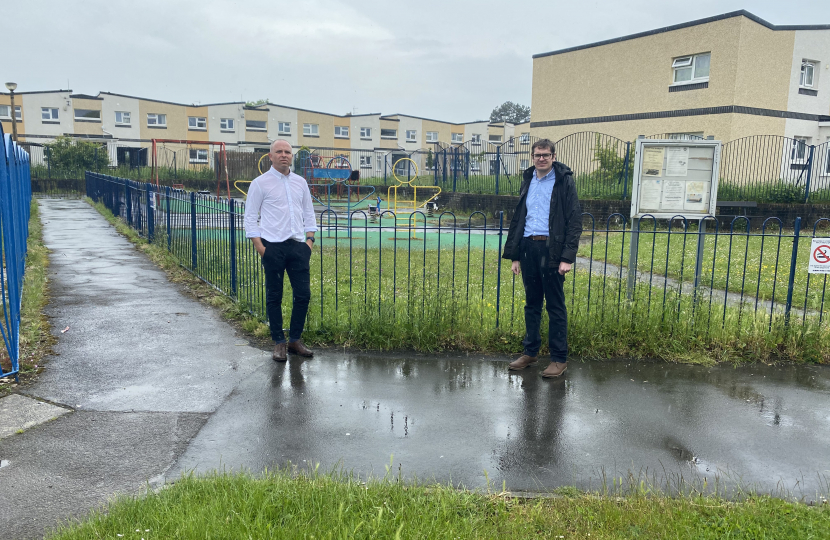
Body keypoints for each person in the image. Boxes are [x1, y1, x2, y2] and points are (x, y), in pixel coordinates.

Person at [502, 139, 582, 378]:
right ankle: (530, 352)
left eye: (546, 155)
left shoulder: (563, 181)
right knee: (532, 304)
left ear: (553, 156)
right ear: (533, 157)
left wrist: (566, 257)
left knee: (555, 306)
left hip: (552, 251)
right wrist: (515, 255)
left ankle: (559, 359)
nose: (542, 159)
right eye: (538, 155)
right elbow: (518, 220)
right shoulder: (528, 181)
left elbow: (574, 221)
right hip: (528, 247)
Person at [244, 140, 318, 361]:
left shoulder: (300, 182)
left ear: (291, 156)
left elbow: (309, 212)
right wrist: (260, 247)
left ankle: (294, 340)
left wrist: (309, 241)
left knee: (303, 295)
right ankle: (278, 342)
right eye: (279, 152)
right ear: (271, 156)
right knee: (274, 296)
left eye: (287, 152)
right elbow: (250, 217)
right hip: (272, 246)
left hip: (298, 247)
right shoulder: (260, 183)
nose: (284, 155)